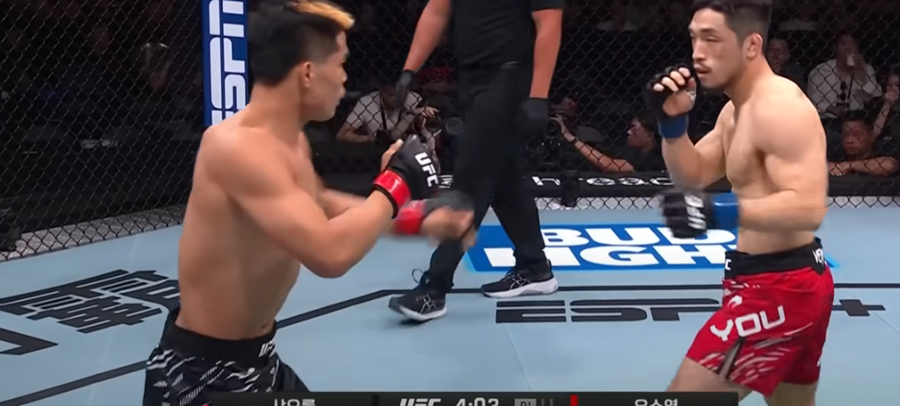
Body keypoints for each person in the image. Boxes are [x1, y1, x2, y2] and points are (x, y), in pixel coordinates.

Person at [141, 1, 475, 404]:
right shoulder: (238, 148)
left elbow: (320, 203)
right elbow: (329, 253)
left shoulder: (288, 139)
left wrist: (415, 220)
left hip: (258, 359)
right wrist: (396, 182)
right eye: (341, 64)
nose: (345, 78)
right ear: (308, 73)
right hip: (203, 376)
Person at [646, 1, 833, 405]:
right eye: (694, 38)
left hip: (780, 291)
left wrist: (718, 212)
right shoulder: (736, 111)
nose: (698, 53)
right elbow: (693, 176)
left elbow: (809, 207)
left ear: (751, 45)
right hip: (784, 280)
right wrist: (672, 125)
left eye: (712, 39)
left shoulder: (779, 107)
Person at [386, 0, 564, 321]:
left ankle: (435, 287)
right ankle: (535, 267)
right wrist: (410, 69)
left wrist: (539, 95)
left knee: (472, 178)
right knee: (506, 177)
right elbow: (437, 10)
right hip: (471, 77)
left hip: (509, 77)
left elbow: (549, 21)